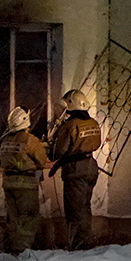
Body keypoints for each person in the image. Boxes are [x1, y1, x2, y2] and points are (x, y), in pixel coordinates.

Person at [48, 89, 104, 248]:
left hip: (75, 169)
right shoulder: (93, 122)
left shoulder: (70, 125)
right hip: (91, 167)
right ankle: (85, 242)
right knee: (85, 207)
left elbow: (56, 152)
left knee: (74, 211)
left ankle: (79, 245)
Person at [0, 107, 49, 253]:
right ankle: (24, 251)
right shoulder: (30, 140)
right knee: (28, 218)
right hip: (26, 184)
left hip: (8, 183)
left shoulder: (5, 140)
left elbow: (1, 160)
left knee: (14, 218)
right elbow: (41, 160)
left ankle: (14, 249)